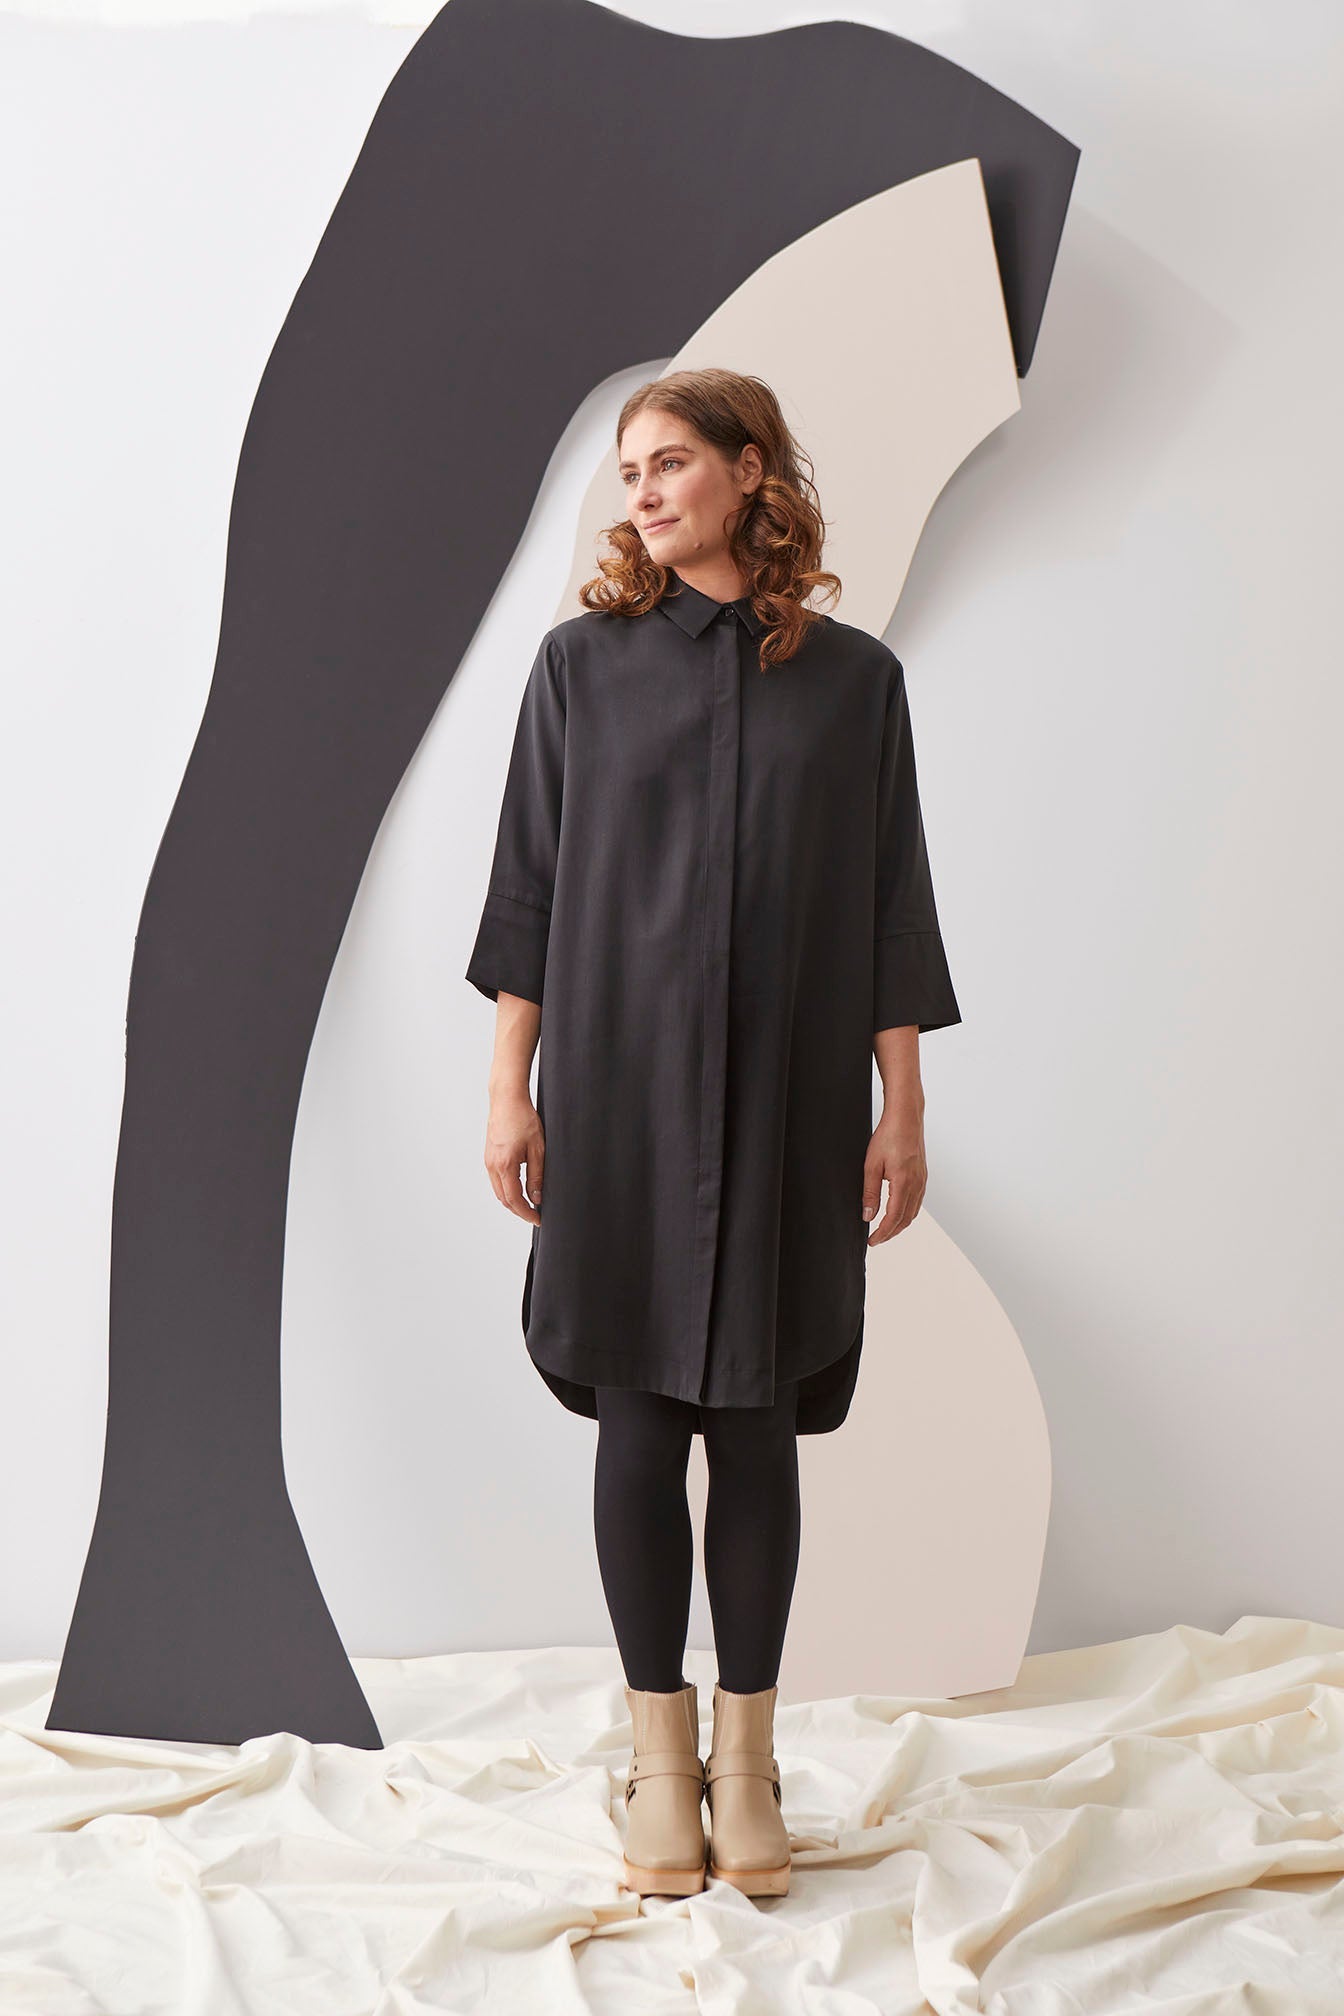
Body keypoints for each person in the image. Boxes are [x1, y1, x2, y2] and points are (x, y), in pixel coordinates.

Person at [466, 367, 961, 1900]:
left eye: (671, 462)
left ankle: (749, 1768)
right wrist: (510, 1084)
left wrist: (902, 1107)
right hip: (616, 1094)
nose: (643, 492)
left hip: (789, 1099)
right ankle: (660, 1768)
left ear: (752, 474)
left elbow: (892, 904)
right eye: (630, 473)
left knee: (754, 1423)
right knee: (636, 1421)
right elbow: (529, 891)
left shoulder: (856, 683)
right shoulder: (579, 668)